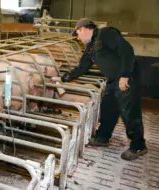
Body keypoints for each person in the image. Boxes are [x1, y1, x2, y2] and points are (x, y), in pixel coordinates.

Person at [51, 18, 148, 161]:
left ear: (83, 29)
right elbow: (82, 68)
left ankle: (138, 146)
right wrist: (63, 78)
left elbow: (127, 50)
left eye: (77, 34)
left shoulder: (105, 34)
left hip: (127, 78)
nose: (78, 38)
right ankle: (103, 137)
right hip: (113, 80)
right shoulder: (91, 47)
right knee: (108, 107)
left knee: (129, 111)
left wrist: (125, 75)